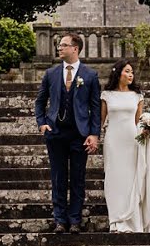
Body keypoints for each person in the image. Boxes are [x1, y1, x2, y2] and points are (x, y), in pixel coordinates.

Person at [33, 32, 101, 234]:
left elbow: (95, 107)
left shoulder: (90, 75)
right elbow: (40, 101)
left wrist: (94, 134)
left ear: (75, 48)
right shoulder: (51, 74)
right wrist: (41, 123)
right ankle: (60, 220)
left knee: (78, 179)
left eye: (63, 45)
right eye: (59, 45)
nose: (59, 48)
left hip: (80, 134)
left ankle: (75, 221)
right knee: (58, 178)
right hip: (56, 133)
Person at [100, 59, 150, 233]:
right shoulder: (106, 95)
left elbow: (138, 121)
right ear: (118, 73)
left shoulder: (137, 96)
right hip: (113, 140)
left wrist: (147, 129)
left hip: (132, 141)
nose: (131, 75)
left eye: (132, 72)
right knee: (114, 179)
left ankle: (133, 221)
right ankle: (117, 221)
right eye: (127, 71)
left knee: (131, 179)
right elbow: (101, 120)